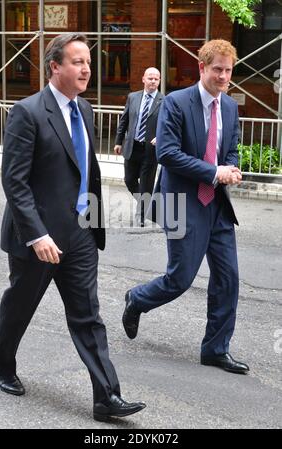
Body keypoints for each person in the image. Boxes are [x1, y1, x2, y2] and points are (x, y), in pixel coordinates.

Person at [0, 33, 146, 422]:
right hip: (38, 237)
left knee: (87, 315)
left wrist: (92, 218)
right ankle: (3, 365)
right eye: (77, 61)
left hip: (79, 233)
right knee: (20, 307)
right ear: (55, 66)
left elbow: (86, 172)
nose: (87, 69)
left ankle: (106, 397)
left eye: (88, 62)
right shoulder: (26, 112)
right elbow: (15, 181)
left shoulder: (87, 110)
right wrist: (37, 234)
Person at [122, 39, 250, 375]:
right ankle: (137, 299)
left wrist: (231, 168)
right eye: (218, 69)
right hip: (182, 202)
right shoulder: (177, 102)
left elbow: (231, 149)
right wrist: (213, 171)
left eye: (228, 70)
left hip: (217, 204)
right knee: (180, 278)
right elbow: (166, 153)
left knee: (228, 278)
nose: (224, 76)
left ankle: (215, 349)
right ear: (202, 67)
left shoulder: (230, 107)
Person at [114, 67, 163, 226]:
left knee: (146, 185)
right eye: (150, 78)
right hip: (132, 147)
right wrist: (118, 141)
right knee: (129, 180)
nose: (153, 81)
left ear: (159, 81)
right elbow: (124, 120)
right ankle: (147, 204)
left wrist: (160, 136)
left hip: (150, 149)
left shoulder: (165, 100)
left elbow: (168, 124)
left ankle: (141, 215)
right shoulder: (133, 97)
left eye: (156, 79)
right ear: (143, 79)